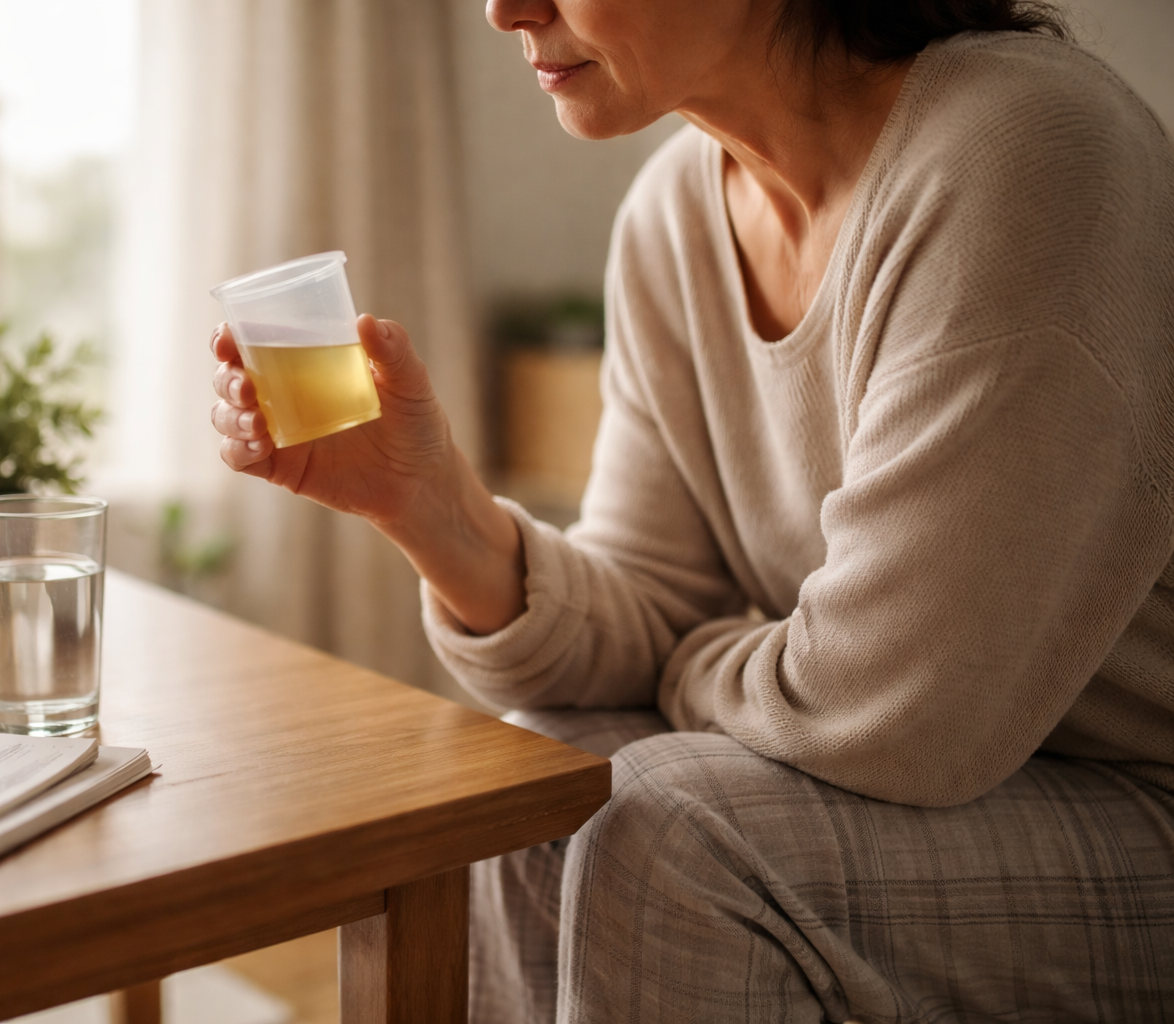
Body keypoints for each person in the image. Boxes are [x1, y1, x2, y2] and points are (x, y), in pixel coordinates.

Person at [210, 0, 1174, 1017]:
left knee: (675, 828)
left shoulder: (1024, 150)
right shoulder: (674, 211)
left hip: (1137, 797)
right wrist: (424, 500)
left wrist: (693, 657)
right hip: (946, 789)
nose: (503, 10)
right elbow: (648, 609)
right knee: (529, 784)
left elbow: (898, 717)